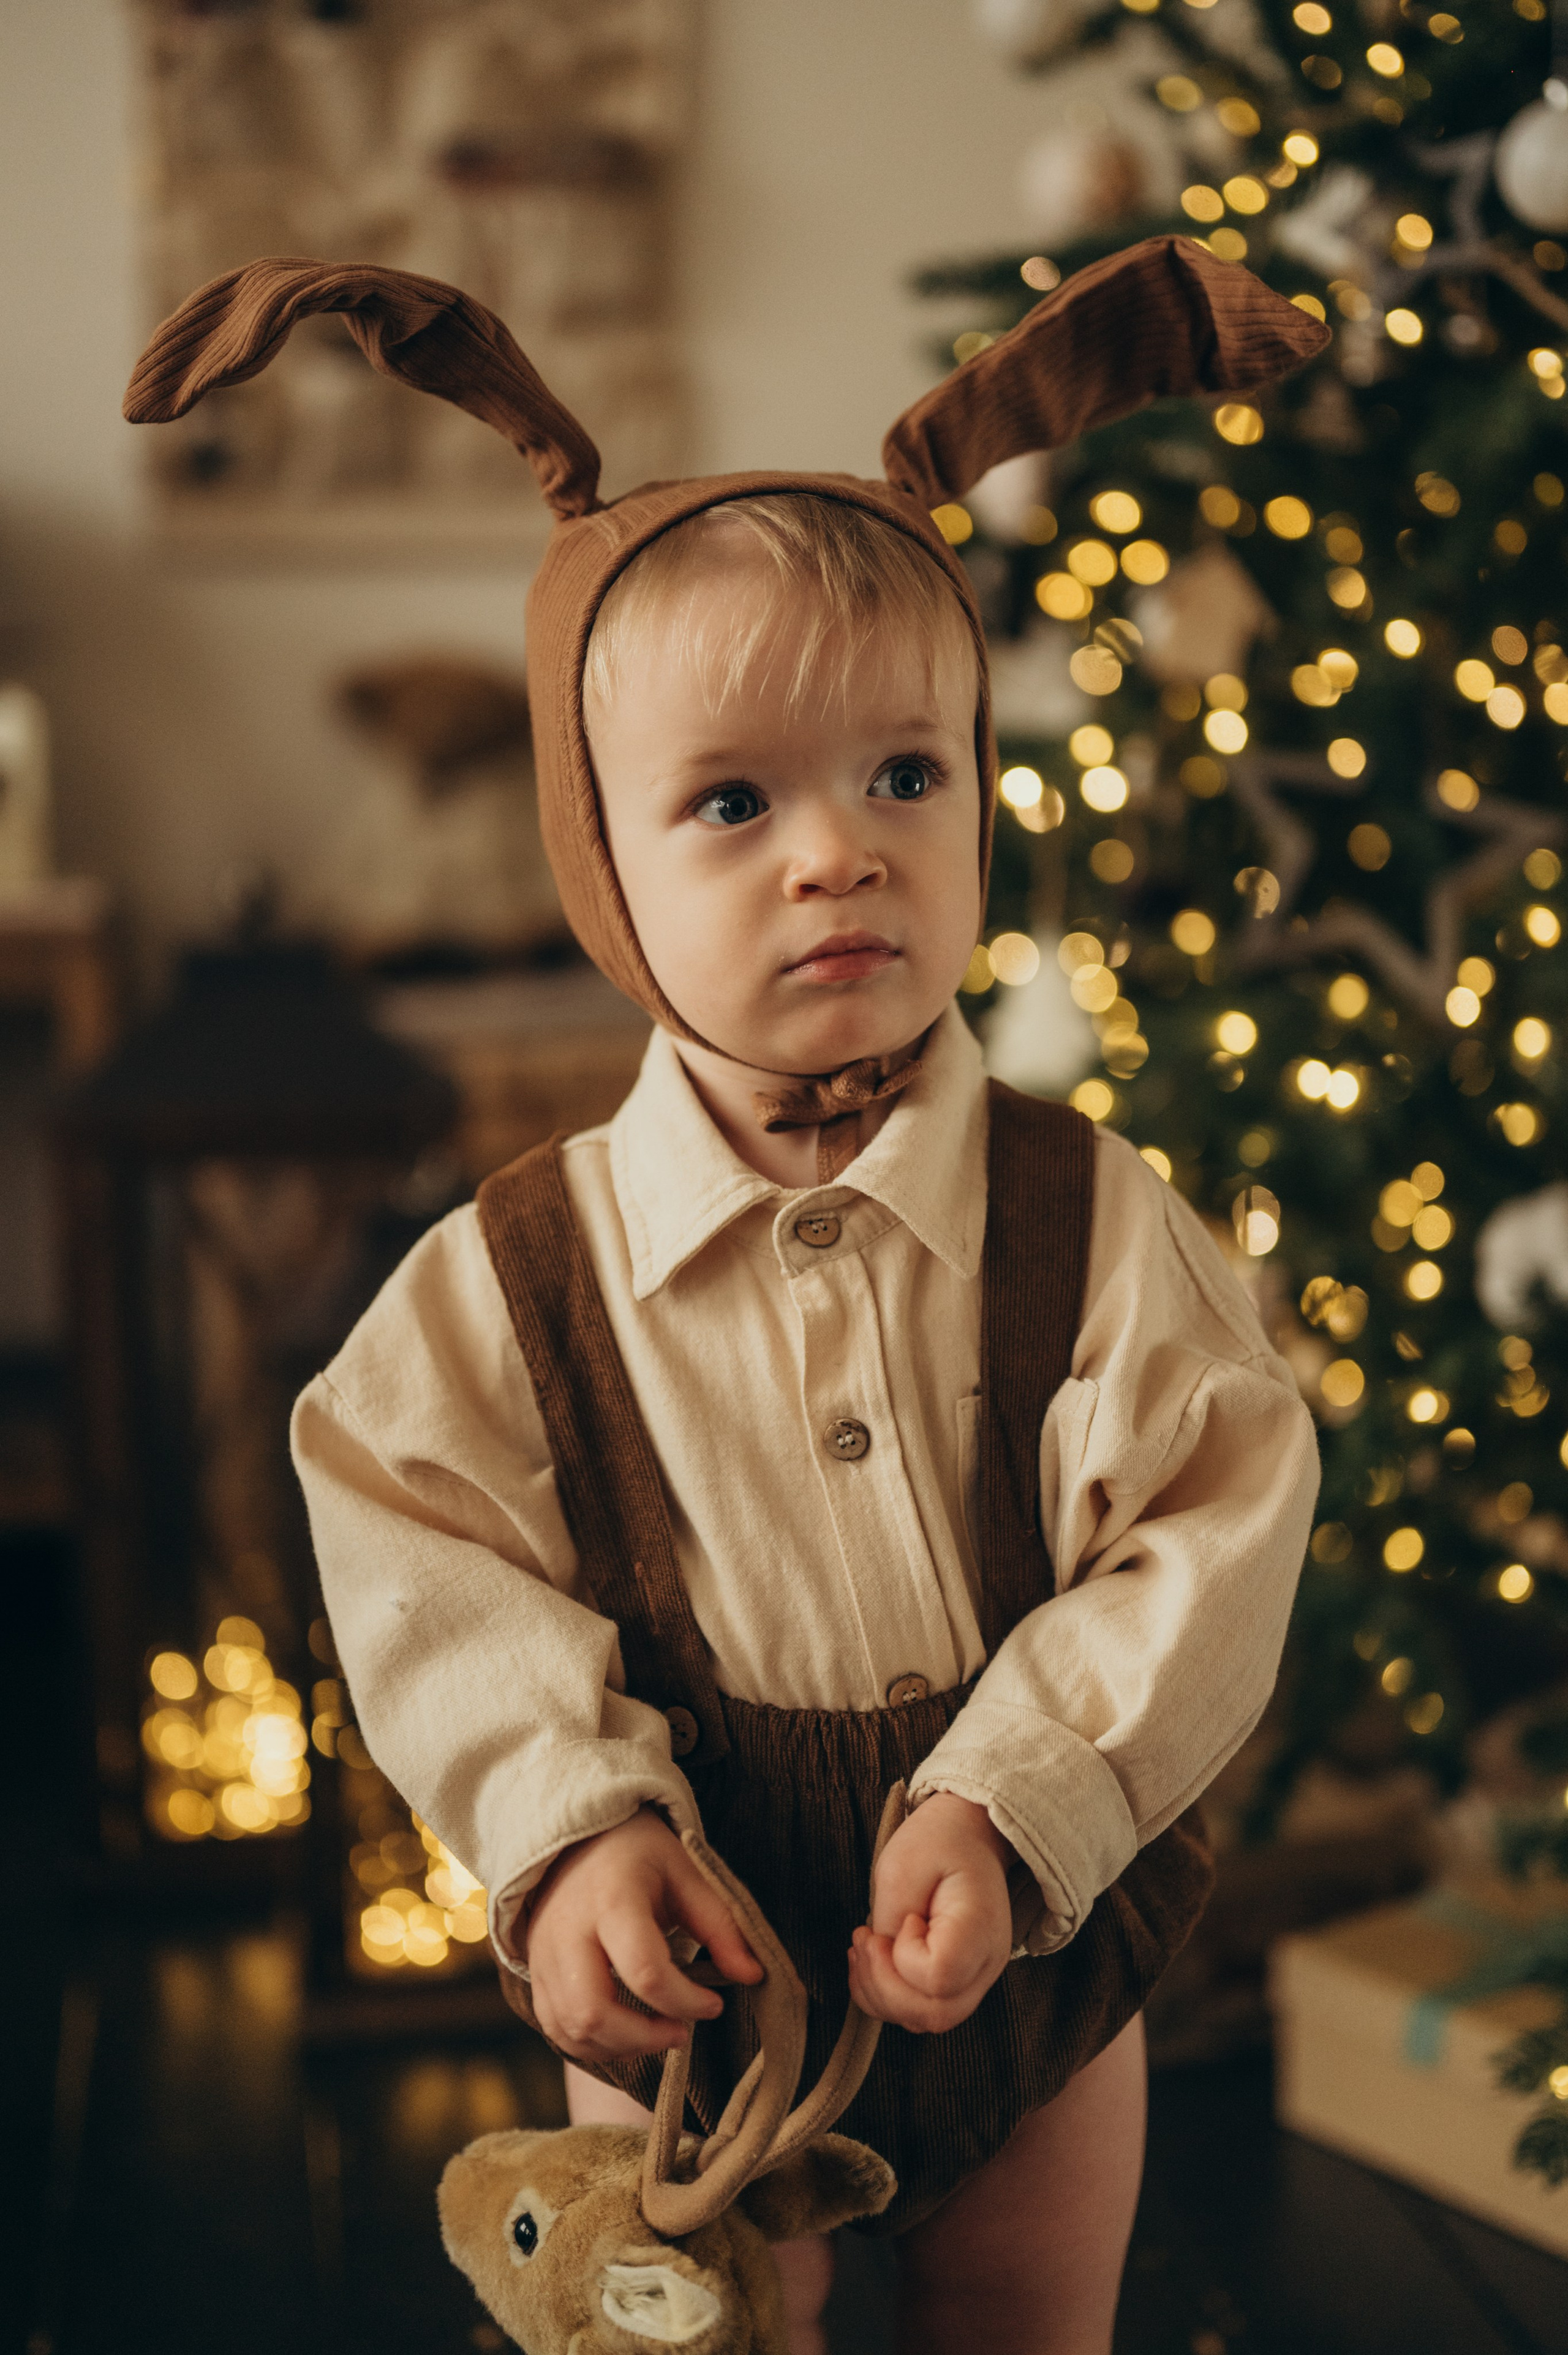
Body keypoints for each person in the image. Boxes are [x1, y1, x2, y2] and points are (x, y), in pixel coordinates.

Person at [127, 240, 1325, 2355]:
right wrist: (569, 1822)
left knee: (1035, 2319)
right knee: (698, 2332)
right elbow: (413, 1536)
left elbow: (1218, 1510)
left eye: (906, 775)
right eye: (734, 802)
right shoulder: (521, 1262)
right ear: (600, 860)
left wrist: (1024, 1791)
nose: (837, 854)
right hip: (683, 1959)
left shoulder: (1088, 1213)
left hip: (1035, 1941)